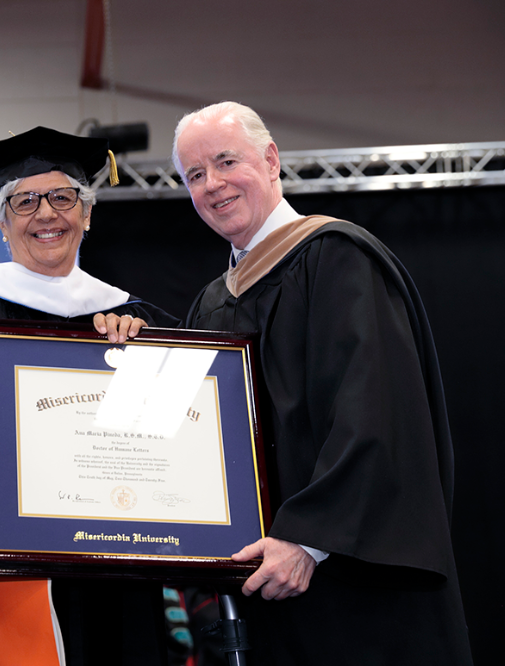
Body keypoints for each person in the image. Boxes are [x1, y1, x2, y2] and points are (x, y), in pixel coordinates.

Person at [161, 101, 473, 664]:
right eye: (195, 176)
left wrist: (307, 539)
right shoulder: (211, 302)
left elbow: (373, 411)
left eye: (226, 161)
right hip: (259, 585)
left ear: (271, 160)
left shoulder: (337, 257)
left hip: (351, 585)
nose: (213, 185)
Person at [0, 126, 178, 666]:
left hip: (115, 561)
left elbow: (171, 443)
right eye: (24, 201)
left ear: (88, 214)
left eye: (62, 197)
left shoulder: (135, 318)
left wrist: (151, 360)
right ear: (1, 222)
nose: (46, 214)